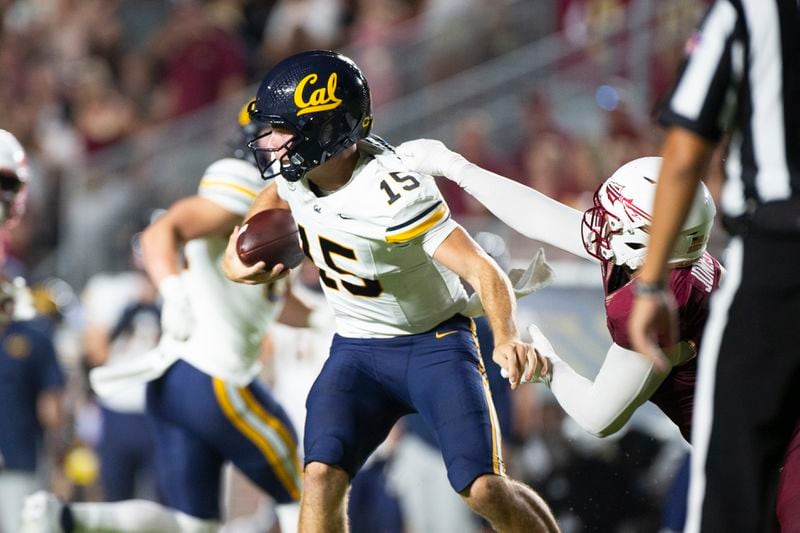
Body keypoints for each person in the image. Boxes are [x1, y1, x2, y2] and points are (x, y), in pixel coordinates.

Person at [222, 49, 559, 533]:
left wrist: (505, 337)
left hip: (433, 346)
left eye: (284, 129)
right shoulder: (300, 175)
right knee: (319, 474)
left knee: (482, 488)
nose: (270, 142)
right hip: (357, 349)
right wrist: (238, 258)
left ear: (323, 131)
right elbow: (269, 202)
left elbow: (483, 269)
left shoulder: (393, 194)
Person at [21, 102, 303, 533]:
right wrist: (173, 294)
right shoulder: (245, 189)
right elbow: (161, 232)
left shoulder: (274, 206)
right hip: (216, 377)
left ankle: (69, 518)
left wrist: (326, 314)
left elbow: (271, 299)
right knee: (308, 493)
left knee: (195, 525)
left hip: (174, 380)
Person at [627, 2, 800, 531]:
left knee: (732, 469)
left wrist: (651, 280)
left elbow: (687, 143)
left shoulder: (752, 11)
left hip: (780, 253)